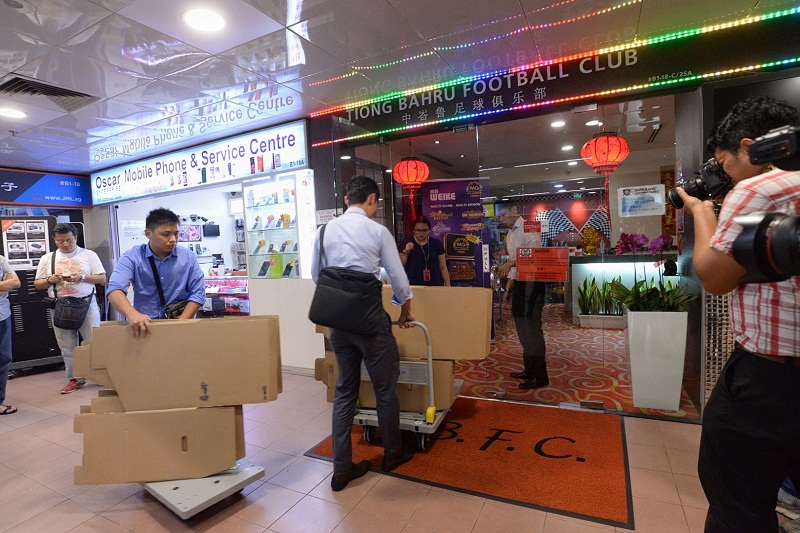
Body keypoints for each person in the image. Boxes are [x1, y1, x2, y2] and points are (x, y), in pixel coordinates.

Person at [675, 95, 800, 533]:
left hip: (769, 381)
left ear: (749, 148)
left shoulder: (763, 190)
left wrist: (701, 211)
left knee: (739, 507)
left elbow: (713, 276)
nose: (723, 174)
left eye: (723, 164)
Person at [311, 175, 416, 492]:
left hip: (338, 325)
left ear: (346, 200)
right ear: (371, 200)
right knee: (385, 390)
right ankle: (393, 454)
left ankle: (341, 469)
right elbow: (398, 279)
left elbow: (317, 275)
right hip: (370, 324)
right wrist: (404, 309)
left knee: (345, 391)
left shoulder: (324, 230)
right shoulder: (377, 231)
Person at [107, 208, 205, 339]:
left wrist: (180, 323)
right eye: (166, 234)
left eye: (176, 234)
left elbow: (198, 293)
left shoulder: (188, 257)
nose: (173, 239)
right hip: (146, 327)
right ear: (148, 233)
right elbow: (114, 290)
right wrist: (132, 314)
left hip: (182, 324)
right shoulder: (132, 257)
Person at [34, 223, 106, 394]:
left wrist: (82, 277)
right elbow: (38, 284)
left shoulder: (89, 255)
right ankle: (75, 379)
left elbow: (102, 279)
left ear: (76, 238)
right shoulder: (47, 258)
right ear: (54, 240)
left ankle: (101, 375)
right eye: (60, 241)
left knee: (94, 341)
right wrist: (51, 280)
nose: (64, 244)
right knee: (67, 345)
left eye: (68, 240)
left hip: (86, 304)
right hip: (60, 305)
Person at [496, 203, 549, 389]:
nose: (500, 219)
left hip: (533, 284)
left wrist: (511, 263)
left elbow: (535, 255)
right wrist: (508, 289)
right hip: (519, 284)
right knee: (522, 329)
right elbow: (514, 268)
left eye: (503, 214)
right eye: (499, 216)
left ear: (514, 211)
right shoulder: (510, 234)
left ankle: (540, 375)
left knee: (532, 329)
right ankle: (529, 369)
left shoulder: (529, 228)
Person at [399, 215, 450, 286]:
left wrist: (448, 286)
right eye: (418, 230)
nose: (421, 233)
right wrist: (406, 253)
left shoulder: (436, 243)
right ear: (414, 230)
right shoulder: (406, 243)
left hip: (434, 284)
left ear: (429, 230)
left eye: (424, 230)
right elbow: (401, 266)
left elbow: (443, 267)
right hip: (413, 286)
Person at [0, 254, 20, 415]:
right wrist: (2, 285)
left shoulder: (0, 259)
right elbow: (9, 283)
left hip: (2, 315)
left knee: (4, 358)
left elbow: (16, 282)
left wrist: (8, 283)